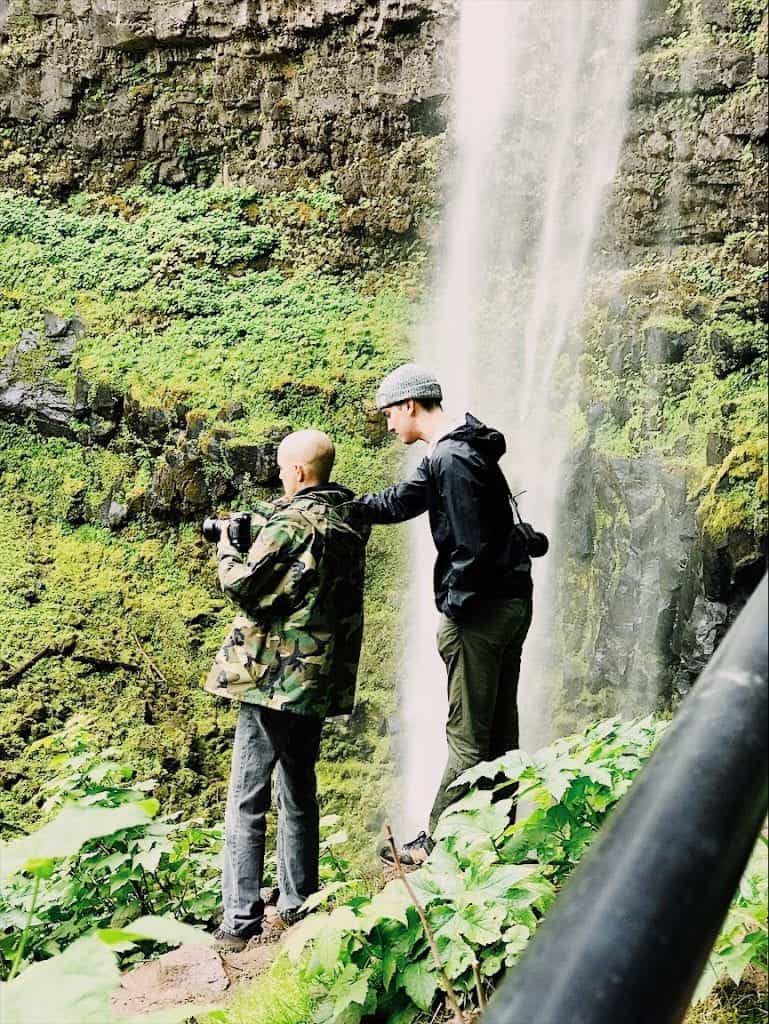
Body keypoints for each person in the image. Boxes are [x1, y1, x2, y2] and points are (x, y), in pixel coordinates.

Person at [358, 364, 533, 865]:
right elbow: (407, 498)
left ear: (411, 406)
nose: (389, 425)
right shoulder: (461, 450)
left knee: (468, 734)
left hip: (480, 615)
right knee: (500, 728)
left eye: (390, 414)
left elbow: (472, 547)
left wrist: (453, 610)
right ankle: (499, 837)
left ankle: (438, 844)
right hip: (510, 604)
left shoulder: (452, 459)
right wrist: (350, 505)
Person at [204, 429, 369, 950]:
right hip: (317, 679)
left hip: (274, 678)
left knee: (247, 797)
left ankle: (239, 918)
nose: (279, 477)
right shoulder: (348, 521)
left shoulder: (292, 524)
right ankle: (300, 904)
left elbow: (248, 586)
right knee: (299, 789)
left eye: (282, 469)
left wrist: (229, 546)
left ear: (298, 472)